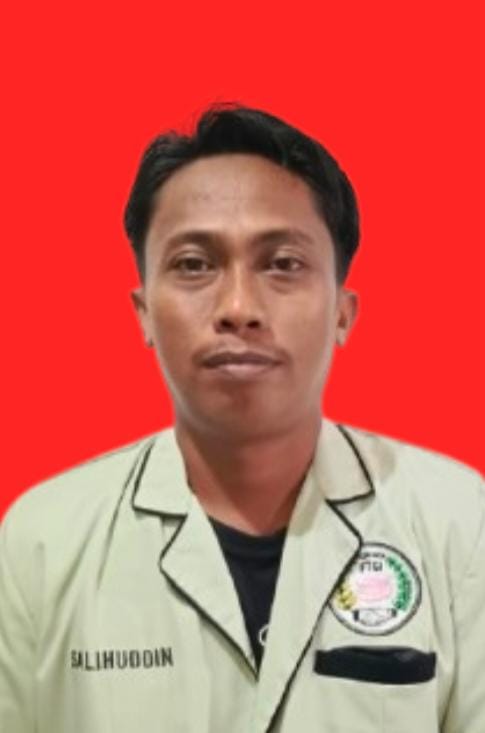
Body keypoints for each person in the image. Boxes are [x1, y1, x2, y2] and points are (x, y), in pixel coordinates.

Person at [0, 103, 483, 733]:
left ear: (342, 312)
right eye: (194, 264)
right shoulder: (41, 540)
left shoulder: (459, 523)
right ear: (144, 312)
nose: (237, 306)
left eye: (282, 263)